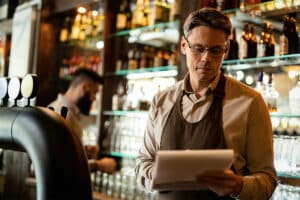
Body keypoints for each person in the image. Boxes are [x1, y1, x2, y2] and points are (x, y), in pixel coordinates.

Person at [135, 7, 277, 200]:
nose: (206, 58)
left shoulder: (250, 102)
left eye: (216, 50)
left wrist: (239, 186)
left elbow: (267, 181)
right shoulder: (161, 100)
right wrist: (156, 175)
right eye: (199, 48)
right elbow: (143, 163)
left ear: (226, 50)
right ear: (184, 46)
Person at [48, 67, 116, 173]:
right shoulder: (63, 114)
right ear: (84, 87)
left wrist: (82, 151)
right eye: (94, 93)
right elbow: (62, 166)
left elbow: (62, 153)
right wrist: (99, 165)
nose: (94, 99)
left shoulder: (63, 110)